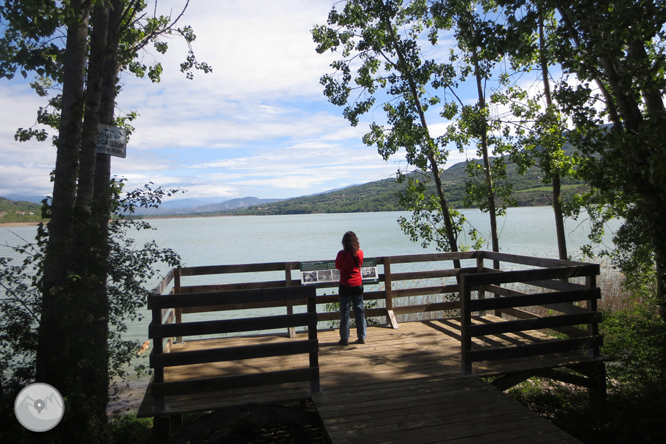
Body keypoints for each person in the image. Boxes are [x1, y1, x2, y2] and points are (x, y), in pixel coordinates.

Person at [335, 231, 367, 346]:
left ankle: (344, 338)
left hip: (345, 285)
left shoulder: (341, 254)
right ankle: (362, 336)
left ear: (344, 242)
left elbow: (337, 266)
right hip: (358, 284)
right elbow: (360, 264)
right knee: (359, 310)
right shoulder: (360, 253)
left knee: (345, 312)